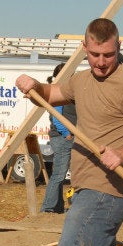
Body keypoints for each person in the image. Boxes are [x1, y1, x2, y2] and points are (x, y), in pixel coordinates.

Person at [16, 18, 123, 246]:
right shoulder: (81, 81)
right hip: (84, 188)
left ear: (118, 47)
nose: (101, 62)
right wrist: (33, 85)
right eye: (95, 54)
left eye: (108, 54)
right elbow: (49, 94)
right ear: (84, 48)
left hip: (105, 195)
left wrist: (122, 153)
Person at [41, 63, 77, 213]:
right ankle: (48, 208)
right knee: (59, 174)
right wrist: (66, 134)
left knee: (63, 174)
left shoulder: (68, 90)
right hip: (63, 138)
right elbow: (56, 116)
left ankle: (58, 207)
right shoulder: (58, 90)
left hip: (68, 137)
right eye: (72, 73)